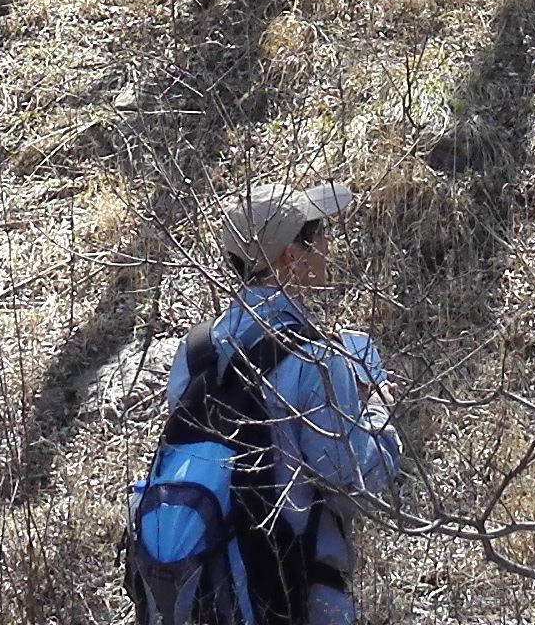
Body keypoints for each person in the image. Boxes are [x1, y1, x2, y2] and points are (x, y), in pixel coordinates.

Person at [170, 180, 405, 625]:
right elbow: (354, 487)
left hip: (209, 590)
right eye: (316, 234)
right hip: (297, 595)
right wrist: (378, 412)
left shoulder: (196, 351)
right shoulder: (317, 360)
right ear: (291, 258)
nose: (327, 244)